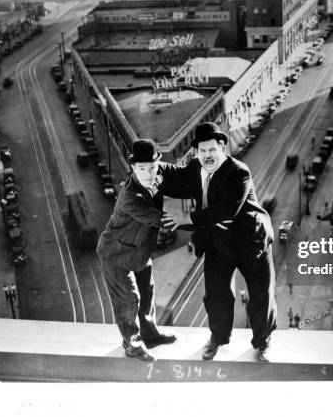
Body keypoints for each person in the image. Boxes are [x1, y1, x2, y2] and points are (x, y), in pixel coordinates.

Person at [162, 122, 277, 362]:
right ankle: (218, 337)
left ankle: (263, 342)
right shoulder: (195, 168)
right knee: (216, 294)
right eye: (202, 151)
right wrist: (148, 166)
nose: (207, 156)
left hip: (249, 239)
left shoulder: (239, 172)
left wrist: (188, 218)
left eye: (211, 150)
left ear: (222, 148)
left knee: (260, 293)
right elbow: (172, 175)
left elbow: (228, 209)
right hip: (218, 240)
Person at [96, 139, 178, 362]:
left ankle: (150, 334)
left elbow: (177, 177)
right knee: (129, 299)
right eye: (142, 168)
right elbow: (163, 220)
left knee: (147, 292)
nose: (149, 173)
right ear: (133, 168)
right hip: (115, 254)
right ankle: (131, 344)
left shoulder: (156, 178)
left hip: (139, 250)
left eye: (152, 167)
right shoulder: (130, 198)